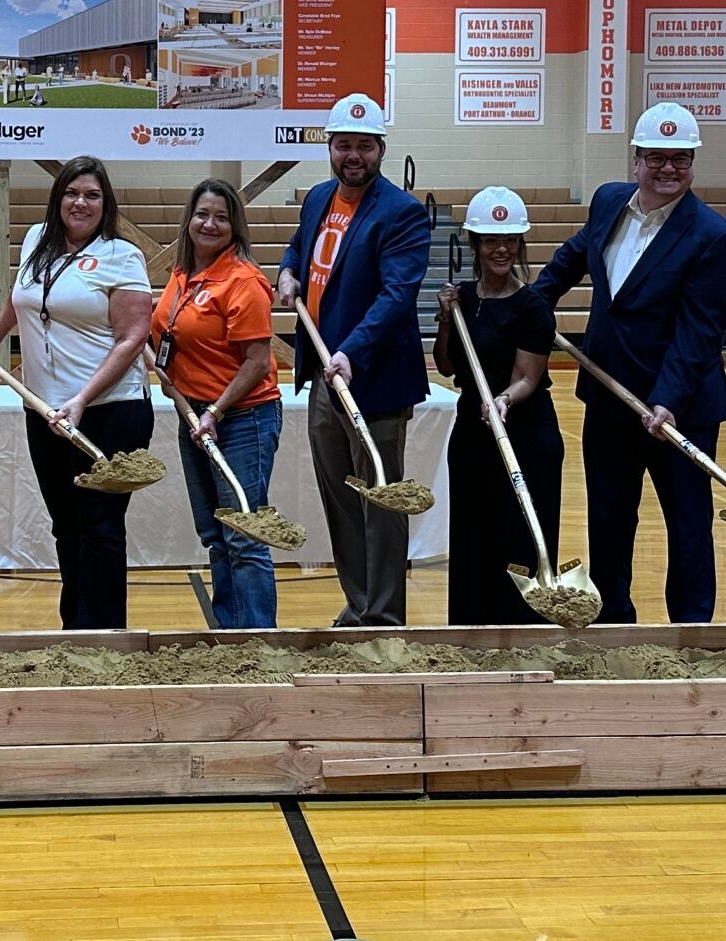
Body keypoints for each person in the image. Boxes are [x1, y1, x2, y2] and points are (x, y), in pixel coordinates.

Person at [533, 102, 726, 624]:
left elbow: (699, 335)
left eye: (680, 159)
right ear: (636, 160)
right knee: (607, 519)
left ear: (693, 162)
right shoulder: (608, 201)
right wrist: (535, 302)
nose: (668, 169)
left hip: (680, 410)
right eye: (656, 158)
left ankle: (692, 634)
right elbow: (575, 254)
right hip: (608, 401)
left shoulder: (713, 237)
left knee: (688, 525)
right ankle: (612, 624)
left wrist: (668, 400)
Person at [0, 157, 156, 631]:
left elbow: (133, 337)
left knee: (99, 527)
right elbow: (22, 298)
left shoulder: (122, 256)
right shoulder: (38, 238)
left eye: (92, 195)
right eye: (72, 193)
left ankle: (104, 637)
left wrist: (80, 399)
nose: (80, 203)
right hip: (44, 411)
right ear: (58, 198)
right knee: (66, 527)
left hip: (108, 412)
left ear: (106, 203)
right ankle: (75, 630)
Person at [275, 93, 432, 628]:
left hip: (374, 380)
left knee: (381, 504)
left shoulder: (402, 213)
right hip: (323, 378)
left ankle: (384, 617)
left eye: (364, 146)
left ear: (381, 150)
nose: (353, 156)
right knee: (341, 500)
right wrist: (288, 271)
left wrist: (351, 352)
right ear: (330, 148)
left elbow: (397, 295)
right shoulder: (318, 197)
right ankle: (360, 603)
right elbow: (298, 247)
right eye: (344, 145)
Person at [153, 179, 282, 629]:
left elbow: (256, 362)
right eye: (202, 214)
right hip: (195, 416)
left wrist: (216, 412)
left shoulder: (242, 280)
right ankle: (231, 630)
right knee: (215, 534)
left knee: (245, 533)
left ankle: (258, 641)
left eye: (221, 218)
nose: (210, 224)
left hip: (240, 420)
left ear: (235, 227)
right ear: (189, 219)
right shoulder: (181, 273)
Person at [434, 187, 562, 625]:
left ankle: (523, 633)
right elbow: (448, 366)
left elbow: (528, 376)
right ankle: (472, 634)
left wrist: (503, 400)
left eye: (509, 240)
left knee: (522, 535)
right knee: (473, 535)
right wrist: (449, 321)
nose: (501, 249)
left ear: (521, 245)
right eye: (491, 240)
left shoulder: (534, 306)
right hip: (473, 430)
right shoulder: (462, 298)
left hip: (526, 431)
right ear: (475, 244)